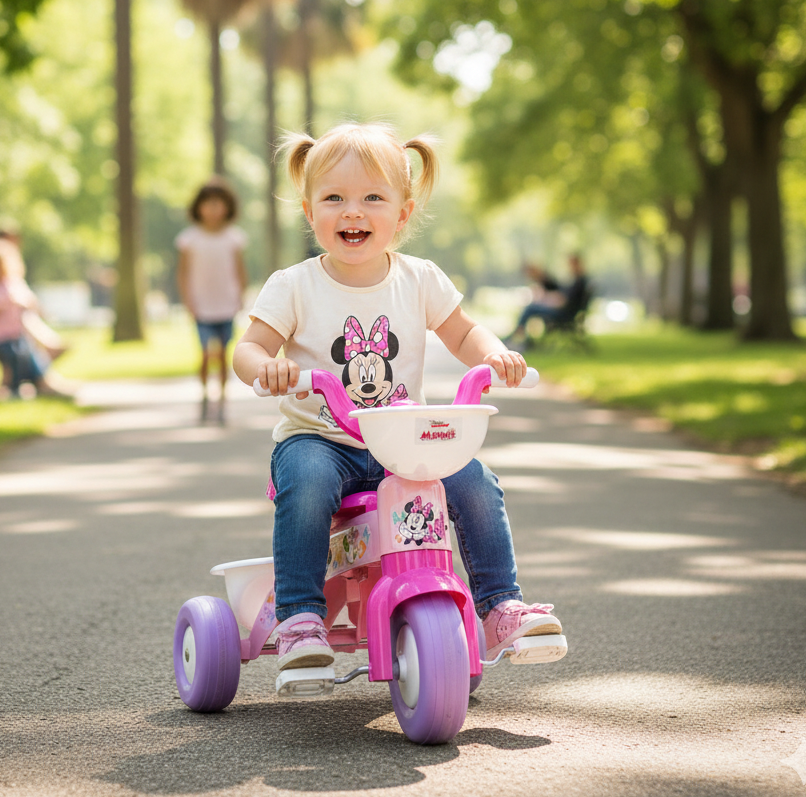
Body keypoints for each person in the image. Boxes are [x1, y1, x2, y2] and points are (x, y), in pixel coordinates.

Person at [232, 122, 563, 686]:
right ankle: (300, 618)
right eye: (333, 198)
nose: (352, 211)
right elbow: (249, 349)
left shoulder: (420, 279)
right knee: (306, 483)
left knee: (474, 480)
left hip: (403, 442)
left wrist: (494, 355)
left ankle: (500, 606)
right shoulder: (294, 285)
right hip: (320, 439)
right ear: (309, 212)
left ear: (403, 214)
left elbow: (464, 332)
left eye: (372, 198)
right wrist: (267, 367)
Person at [177, 178, 248, 424]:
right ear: (198, 207)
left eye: (218, 203)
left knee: (224, 354)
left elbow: (239, 271)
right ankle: (205, 395)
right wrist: (188, 300)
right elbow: (183, 273)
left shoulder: (234, 238)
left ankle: (223, 400)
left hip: (226, 305)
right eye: (208, 203)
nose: (213, 209)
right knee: (206, 353)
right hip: (202, 306)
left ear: (227, 207)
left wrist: (241, 296)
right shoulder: (189, 239)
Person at [0, 241, 67, 398]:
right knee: (13, 354)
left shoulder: (12, 282)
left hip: (15, 331)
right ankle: (15, 387)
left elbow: (30, 301)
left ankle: (39, 381)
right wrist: (6, 303)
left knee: (27, 351)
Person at [505, 254, 590, 348]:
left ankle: (518, 336)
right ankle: (522, 338)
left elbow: (563, 301)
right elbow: (560, 291)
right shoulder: (577, 281)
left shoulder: (579, 282)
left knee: (531, 309)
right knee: (532, 307)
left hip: (564, 314)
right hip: (566, 312)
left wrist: (548, 301)